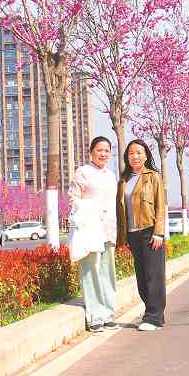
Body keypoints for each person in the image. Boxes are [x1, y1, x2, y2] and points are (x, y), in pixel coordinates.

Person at [68, 136, 118, 333]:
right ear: (91, 152)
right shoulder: (83, 172)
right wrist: (89, 211)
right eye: (99, 150)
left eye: (107, 150)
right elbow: (73, 197)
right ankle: (95, 315)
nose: (103, 153)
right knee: (90, 271)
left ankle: (107, 313)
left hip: (108, 229)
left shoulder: (110, 175)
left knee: (107, 272)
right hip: (90, 229)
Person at [116, 139, 167, 331]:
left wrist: (159, 233)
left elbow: (161, 206)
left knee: (154, 276)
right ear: (126, 157)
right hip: (132, 235)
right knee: (141, 278)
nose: (134, 156)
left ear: (146, 155)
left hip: (150, 232)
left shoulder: (153, 177)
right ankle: (151, 313)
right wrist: (122, 237)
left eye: (138, 152)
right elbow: (119, 211)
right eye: (131, 153)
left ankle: (154, 317)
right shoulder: (123, 181)